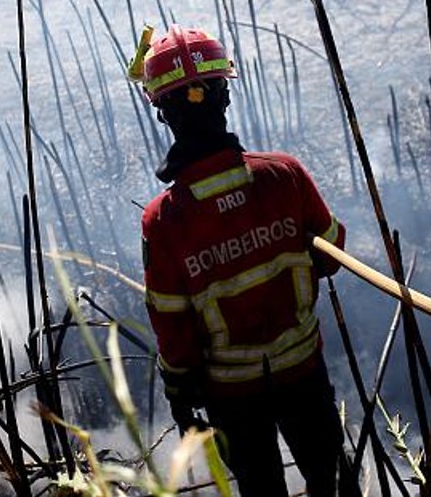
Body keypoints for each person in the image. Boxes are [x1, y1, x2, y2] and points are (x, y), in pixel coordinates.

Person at [134, 25, 350, 496]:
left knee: (262, 491)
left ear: (164, 115)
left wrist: (180, 394)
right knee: (329, 480)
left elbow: (173, 327)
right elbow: (333, 251)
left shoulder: (164, 221)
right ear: (225, 95)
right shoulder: (285, 174)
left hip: (232, 394)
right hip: (303, 372)